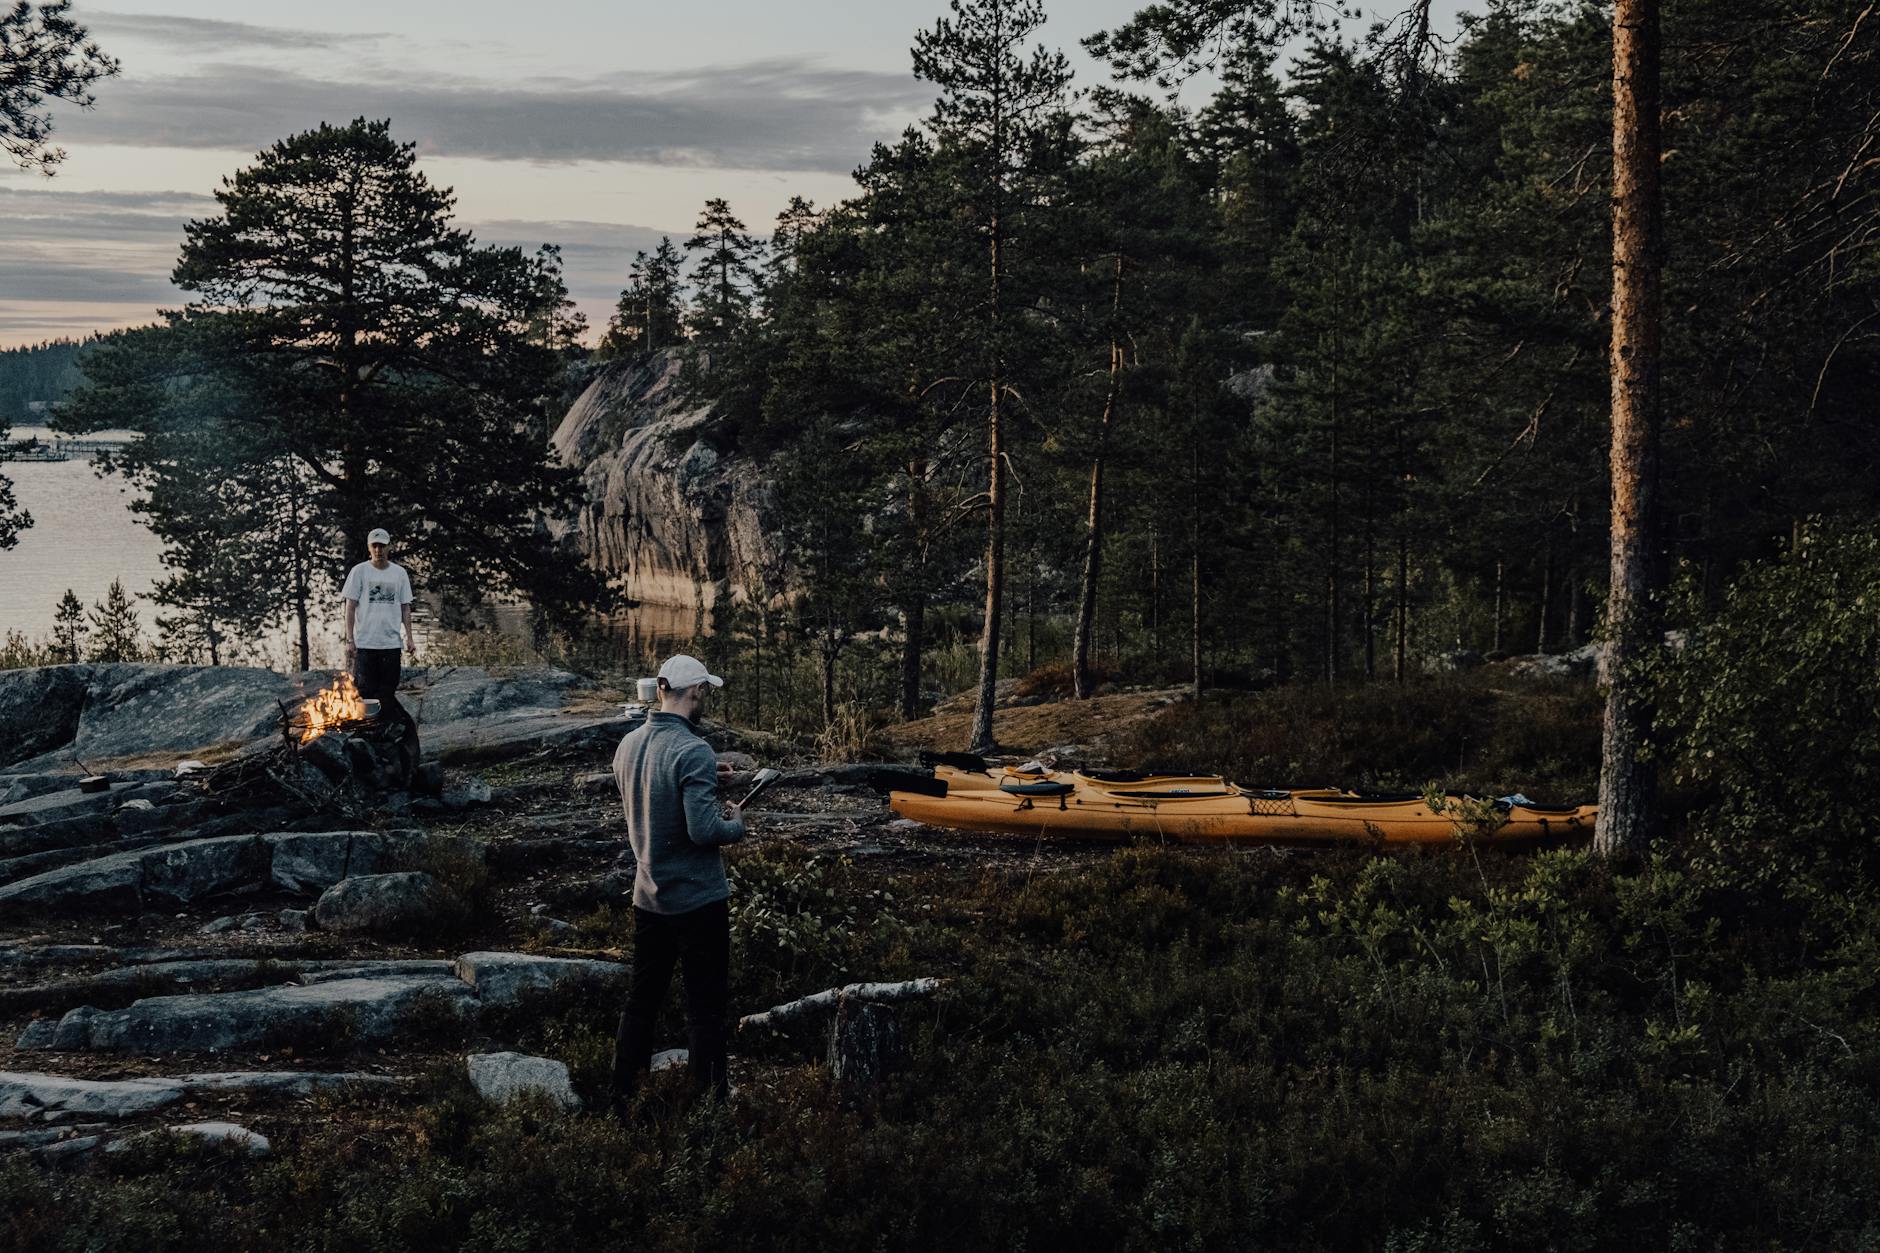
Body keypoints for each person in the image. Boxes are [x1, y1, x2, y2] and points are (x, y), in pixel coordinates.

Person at [610, 653, 746, 1109]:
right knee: (705, 1006)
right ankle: (710, 1102)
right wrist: (736, 824)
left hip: (649, 896)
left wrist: (709, 782)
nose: (705, 698)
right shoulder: (693, 750)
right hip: (697, 901)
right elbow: (704, 830)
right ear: (696, 692)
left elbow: (655, 798)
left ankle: (623, 1093)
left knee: (642, 1000)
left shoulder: (627, 745)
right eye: (705, 691)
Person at [340, 527, 416, 707]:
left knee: (387, 692)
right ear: (368, 547)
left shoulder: (399, 573)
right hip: (366, 644)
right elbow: (350, 608)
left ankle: (386, 730)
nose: (378, 550)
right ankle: (369, 731)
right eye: (374, 546)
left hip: (391, 645)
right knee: (365, 692)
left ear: (389, 547)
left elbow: (405, 608)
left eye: (382, 546)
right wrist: (350, 640)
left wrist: (410, 639)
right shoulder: (359, 571)